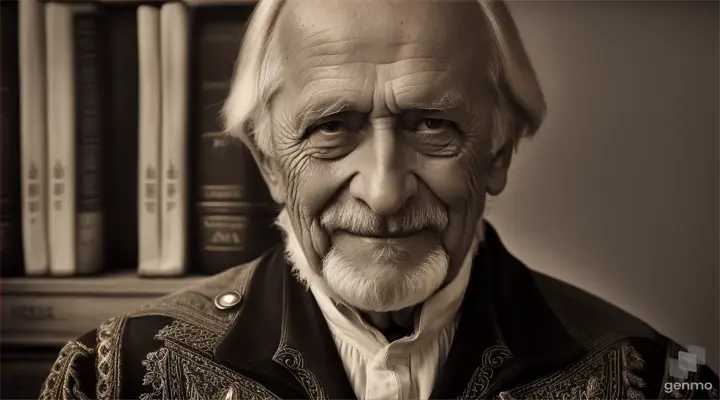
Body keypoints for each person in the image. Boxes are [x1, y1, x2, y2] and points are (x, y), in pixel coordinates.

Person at [40, 0, 718, 399]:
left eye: (434, 126)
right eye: (331, 127)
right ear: (270, 163)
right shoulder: (112, 379)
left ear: (501, 152)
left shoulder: (659, 378)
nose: (386, 193)